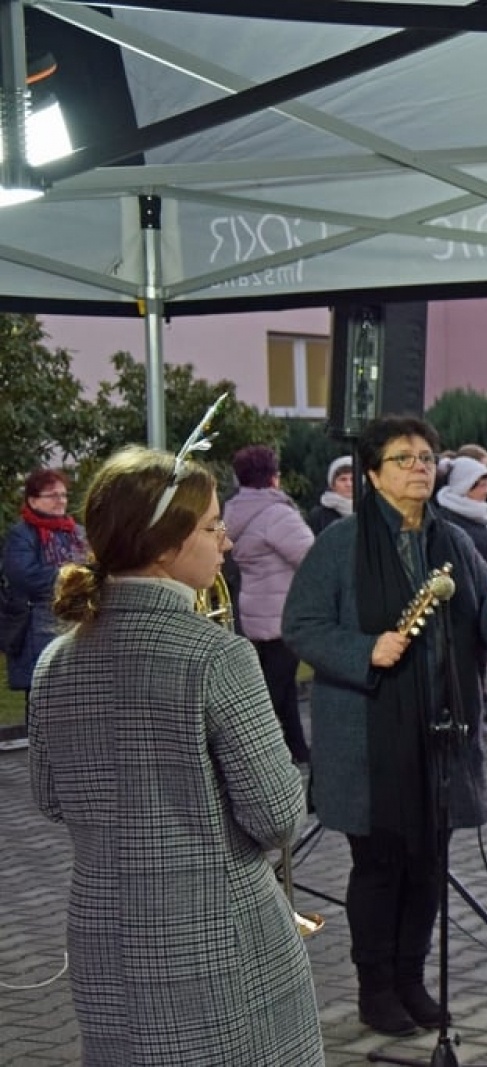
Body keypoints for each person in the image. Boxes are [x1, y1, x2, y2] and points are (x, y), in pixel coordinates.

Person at [28, 444, 323, 1066]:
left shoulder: (56, 661)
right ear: (163, 545)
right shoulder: (217, 655)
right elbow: (276, 816)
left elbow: (52, 799)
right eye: (213, 525)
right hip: (217, 937)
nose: (226, 542)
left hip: (102, 933)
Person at [282, 414, 487, 1037]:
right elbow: (301, 627)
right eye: (404, 458)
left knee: (429, 862)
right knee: (380, 863)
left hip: (441, 736)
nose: (420, 467)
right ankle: (376, 988)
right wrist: (366, 650)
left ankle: (413, 978)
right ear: (372, 474)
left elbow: (482, 633)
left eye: (426, 457)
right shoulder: (342, 544)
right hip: (369, 739)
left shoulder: (454, 543)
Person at [226, 445, 317, 764]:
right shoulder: (276, 513)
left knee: (281, 685)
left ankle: (296, 746)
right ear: (273, 477)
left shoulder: (234, 511)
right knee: (273, 689)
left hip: (253, 609)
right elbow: (311, 558)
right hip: (282, 612)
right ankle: (252, 753)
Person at [4, 468, 87, 717]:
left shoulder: (77, 533)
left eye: (63, 495)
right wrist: (72, 577)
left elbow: (94, 567)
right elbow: (23, 576)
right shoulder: (22, 535)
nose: (60, 500)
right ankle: (39, 754)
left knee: (78, 698)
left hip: (78, 624)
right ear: (32, 500)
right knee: (42, 700)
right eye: (52, 495)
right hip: (36, 628)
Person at [307, 455, 354, 535]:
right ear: (332, 484)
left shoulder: (369, 512)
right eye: (343, 479)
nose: (349, 484)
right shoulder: (319, 516)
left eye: (353, 479)